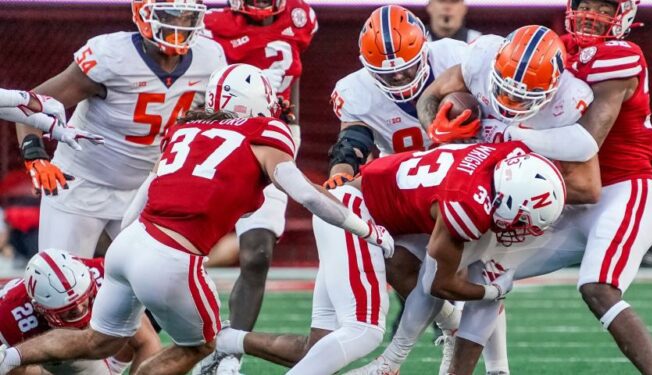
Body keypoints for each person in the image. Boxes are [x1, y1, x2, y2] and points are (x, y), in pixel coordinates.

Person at [0, 63, 393, 375]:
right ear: (254, 102)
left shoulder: (185, 129)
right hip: (173, 256)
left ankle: (10, 358)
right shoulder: (265, 132)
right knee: (202, 345)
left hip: (131, 242)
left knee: (98, 341)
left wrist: (127, 250)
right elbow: (306, 193)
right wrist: (365, 228)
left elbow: (140, 200)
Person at [351, 25, 600, 375]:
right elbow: (431, 99)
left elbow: (588, 186)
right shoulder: (481, 58)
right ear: (495, 66)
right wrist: (436, 131)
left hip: (514, 193)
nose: (510, 104)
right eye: (505, 91)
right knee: (451, 274)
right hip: (462, 185)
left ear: (553, 89)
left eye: (523, 98)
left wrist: (520, 175)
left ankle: (481, 366)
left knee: (484, 272)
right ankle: (454, 360)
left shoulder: (567, 103)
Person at [212, 142, 563, 375]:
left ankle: (222, 341)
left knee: (320, 350)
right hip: (352, 214)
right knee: (363, 332)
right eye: (521, 221)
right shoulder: (466, 206)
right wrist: (490, 294)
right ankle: (448, 329)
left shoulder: (506, 159)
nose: (521, 231)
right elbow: (437, 285)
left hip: (375, 213)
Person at [14, 0, 226, 257]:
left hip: (146, 190)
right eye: (171, 16)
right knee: (60, 282)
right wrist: (35, 155)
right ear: (143, 14)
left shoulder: (210, 58)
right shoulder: (111, 56)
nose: (178, 26)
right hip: (82, 183)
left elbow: (220, 118)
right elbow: (30, 105)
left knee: (152, 288)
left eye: (186, 18)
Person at [324, 4, 469, 372]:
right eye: (387, 75)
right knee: (397, 265)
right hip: (408, 185)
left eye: (406, 68)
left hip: (461, 179)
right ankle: (451, 325)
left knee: (467, 274)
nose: (399, 78)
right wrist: (342, 172)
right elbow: (352, 142)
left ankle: (494, 365)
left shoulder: (452, 56)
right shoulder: (356, 90)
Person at [199, 2, 317, 371]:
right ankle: (141, 336)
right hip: (219, 138)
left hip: (271, 137)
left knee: (258, 253)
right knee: (176, 250)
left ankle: (228, 355)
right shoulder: (211, 24)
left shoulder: (300, 17)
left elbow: (292, 76)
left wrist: (289, 125)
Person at [559, 1, 652, 373]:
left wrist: (515, 137)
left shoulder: (621, 55)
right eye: (584, 4)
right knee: (484, 271)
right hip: (568, 197)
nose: (590, 14)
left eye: (603, 7)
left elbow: (585, 142)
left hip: (622, 191)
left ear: (624, 14)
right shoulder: (554, 49)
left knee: (598, 288)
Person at [0, 249, 160, 374]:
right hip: (44, 340)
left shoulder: (103, 275)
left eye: (84, 299)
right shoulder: (10, 317)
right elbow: (15, 369)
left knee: (132, 331)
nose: (79, 309)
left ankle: (114, 368)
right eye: (69, 310)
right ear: (39, 308)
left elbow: (146, 342)